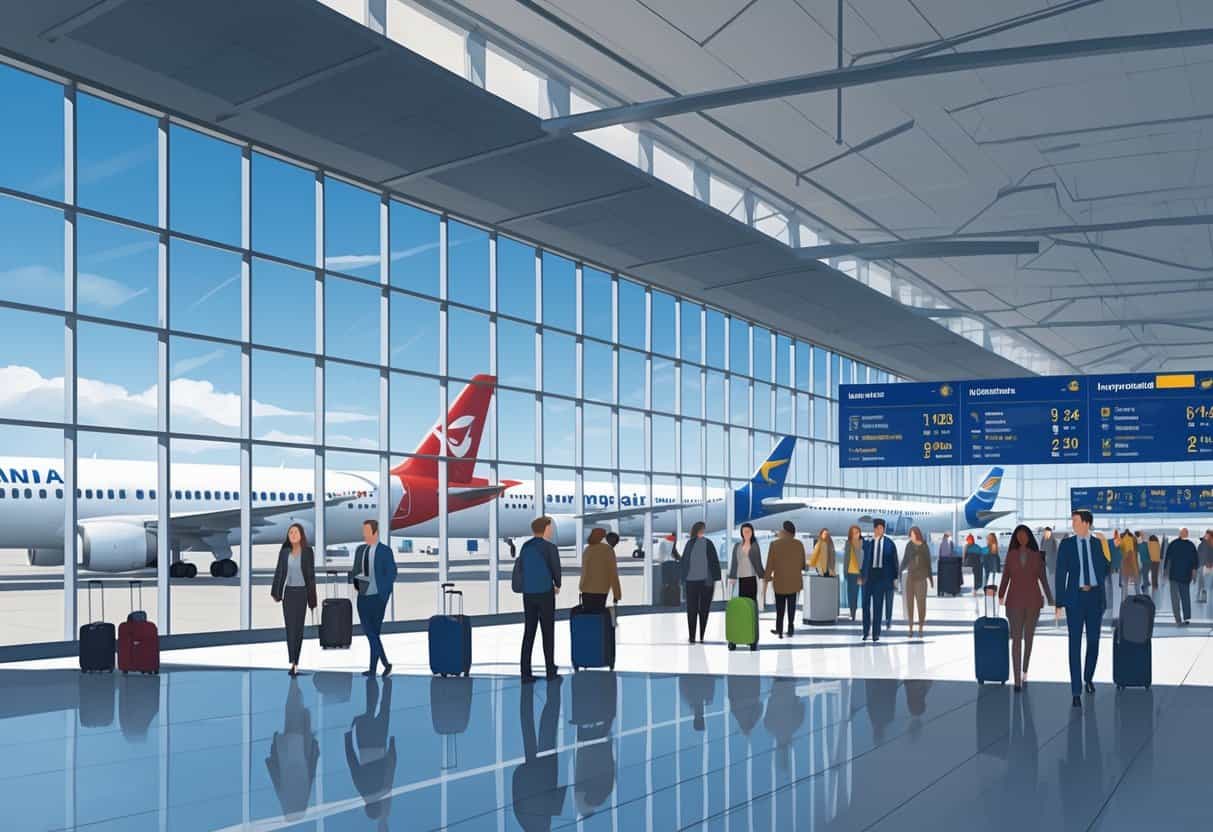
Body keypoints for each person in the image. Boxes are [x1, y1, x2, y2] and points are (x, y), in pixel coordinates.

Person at [1054, 509, 1108, 708]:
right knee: (1074, 644)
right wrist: (1059, 603)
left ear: (1086, 523)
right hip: (1074, 600)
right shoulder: (1067, 545)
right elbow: (1060, 574)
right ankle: (1075, 690)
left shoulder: (1096, 544)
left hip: (1094, 598)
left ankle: (1088, 677)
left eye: (1076, 521)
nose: (1073, 524)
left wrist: (1109, 547)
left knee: (1093, 641)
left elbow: (1105, 569)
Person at [999, 525, 1054, 691]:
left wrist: (1051, 600)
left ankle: (1024, 670)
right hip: (1014, 602)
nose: (1022, 538)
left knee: (1029, 638)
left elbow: (1043, 579)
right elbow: (1005, 577)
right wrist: (1001, 593)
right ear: (1015, 538)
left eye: (1024, 535)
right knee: (1016, 639)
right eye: (1019, 535)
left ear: (1029, 537)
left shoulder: (1037, 556)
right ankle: (1016, 680)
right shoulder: (1010, 555)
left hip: (1033, 602)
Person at [265, 676, 319, 821]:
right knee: (292, 715)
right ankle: (294, 685)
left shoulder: (303, 796)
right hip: (289, 751)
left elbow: (311, 770)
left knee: (294, 715)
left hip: (300, 749)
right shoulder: (284, 797)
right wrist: (273, 748)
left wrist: (315, 750)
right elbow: (274, 772)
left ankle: (294, 683)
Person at [345, 677, 396, 829]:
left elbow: (390, 767)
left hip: (379, 742)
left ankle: (387, 683)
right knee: (370, 709)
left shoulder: (383, 789)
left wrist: (392, 746)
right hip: (364, 744)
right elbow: (352, 763)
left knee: (384, 708)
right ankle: (372, 681)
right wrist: (348, 737)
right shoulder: (361, 788)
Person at [349, 519, 398, 678]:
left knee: (373, 633)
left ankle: (376, 667)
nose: (364, 534)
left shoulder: (385, 551)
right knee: (371, 633)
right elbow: (355, 570)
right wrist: (356, 583)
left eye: (367, 531)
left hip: (378, 598)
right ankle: (383, 665)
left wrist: (384, 594)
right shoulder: (360, 550)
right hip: (363, 597)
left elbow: (392, 573)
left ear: (375, 532)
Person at [516, 516, 562, 681]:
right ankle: (550, 671)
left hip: (528, 594)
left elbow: (521, 568)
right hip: (545, 593)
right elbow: (556, 569)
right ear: (546, 528)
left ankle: (525, 672)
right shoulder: (549, 547)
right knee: (547, 632)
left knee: (529, 632)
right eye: (550, 527)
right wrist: (557, 584)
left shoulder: (525, 546)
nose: (552, 530)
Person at [270, 522, 317, 677]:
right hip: (289, 593)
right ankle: (293, 662)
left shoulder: (308, 552)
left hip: (302, 593)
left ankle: (296, 660)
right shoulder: (284, 552)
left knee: (299, 629)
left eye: (296, 532)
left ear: (301, 535)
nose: (293, 535)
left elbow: (311, 577)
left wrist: (312, 599)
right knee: (290, 628)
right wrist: (276, 593)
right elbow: (279, 572)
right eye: (290, 533)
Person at [763, 520, 806, 638]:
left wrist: (766, 578)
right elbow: (803, 564)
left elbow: (770, 564)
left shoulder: (774, 544)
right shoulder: (799, 544)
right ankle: (791, 628)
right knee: (791, 607)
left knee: (780, 607)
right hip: (794, 582)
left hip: (780, 582)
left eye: (781, 530)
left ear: (785, 531)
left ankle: (780, 629)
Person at [680, 521, 721, 643]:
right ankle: (697, 636)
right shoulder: (702, 543)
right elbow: (713, 561)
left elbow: (685, 563)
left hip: (698, 582)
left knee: (697, 609)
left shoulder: (696, 543)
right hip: (700, 582)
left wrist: (683, 579)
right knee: (699, 609)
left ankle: (696, 636)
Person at [859, 518, 899, 643]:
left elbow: (894, 563)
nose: (879, 530)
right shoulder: (868, 543)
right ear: (874, 529)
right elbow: (862, 560)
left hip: (881, 579)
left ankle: (876, 634)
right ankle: (866, 632)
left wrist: (894, 579)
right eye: (877, 528)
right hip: (868, 578)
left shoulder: (889, 544)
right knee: (865, 605)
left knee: (878, 606)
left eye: (882, 528)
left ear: (884, 529)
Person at [899, 526, 932, 638]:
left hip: (921, 579)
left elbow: (928, 563)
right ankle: (910, 628)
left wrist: (930, 579)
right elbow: (905, 560)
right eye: (910, 534)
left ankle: (921, 627)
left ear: (917, 534)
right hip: (910, 578)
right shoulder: (909, 545)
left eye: (912, 534)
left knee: (921, 604)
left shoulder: (924, 546)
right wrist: (899, 571)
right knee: (909, 604)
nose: (911, 536)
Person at [578, 527, 621, 611]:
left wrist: (581, 587)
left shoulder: (587, 550)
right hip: (601, 590)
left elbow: (584, 571)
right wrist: (617, 594)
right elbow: (613, 574)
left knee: (588, 615)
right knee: (598, 616)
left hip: (586, 590)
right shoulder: (608, 550)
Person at [1166, 527, 1200, 625]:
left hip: (1174, 576)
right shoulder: (1191, 546)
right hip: (1185, 576)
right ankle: (1186, 617)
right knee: (1185, 597)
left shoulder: (1173, 544)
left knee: (1175, 598)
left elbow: (1168, 559)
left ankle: (1178, 619)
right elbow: (1195, 562)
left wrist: (1166, 572)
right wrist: (1194, 575)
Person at [727, 522, 764, 602]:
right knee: (741, 601)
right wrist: (732, 576)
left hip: (751, 577)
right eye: (744, 531)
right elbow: (734, 562)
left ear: (752, 532)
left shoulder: (754, 545)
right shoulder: (737, 546)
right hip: (739, 578)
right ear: (741, 533)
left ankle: (752, 614)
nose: (746, 533)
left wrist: (763, 576)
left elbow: (758, 563)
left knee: (751, 600)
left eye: (748, 531)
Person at [843, 525, 864, 621]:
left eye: (857, 532)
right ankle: (852, 611)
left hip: (859, 574)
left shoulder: (862, 543)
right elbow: (845, 558)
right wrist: (844, 571)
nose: (855, 534)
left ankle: (854, 613)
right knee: (850, 594)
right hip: (849, 572)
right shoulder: (848, 543)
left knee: (856, 594)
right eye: (853, 532)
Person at [1118, 527, 1140, 592]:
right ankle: (1137, 594)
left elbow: (1120, 548)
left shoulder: (1122, 538)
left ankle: (1124, 597)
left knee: (1124, 579)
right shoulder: (1133, 538)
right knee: (1135, 576)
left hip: (1124, 558)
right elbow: (1137, 547)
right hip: (1132, 557)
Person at [1198, 529, 1213, 601]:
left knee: (1203, 583)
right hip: (1207, 565)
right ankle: (1205, 598)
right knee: (1205, 583)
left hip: (1204, 566)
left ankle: (1204, 598)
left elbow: (1200, 555)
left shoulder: (1203, 545)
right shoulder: (1205, 544)